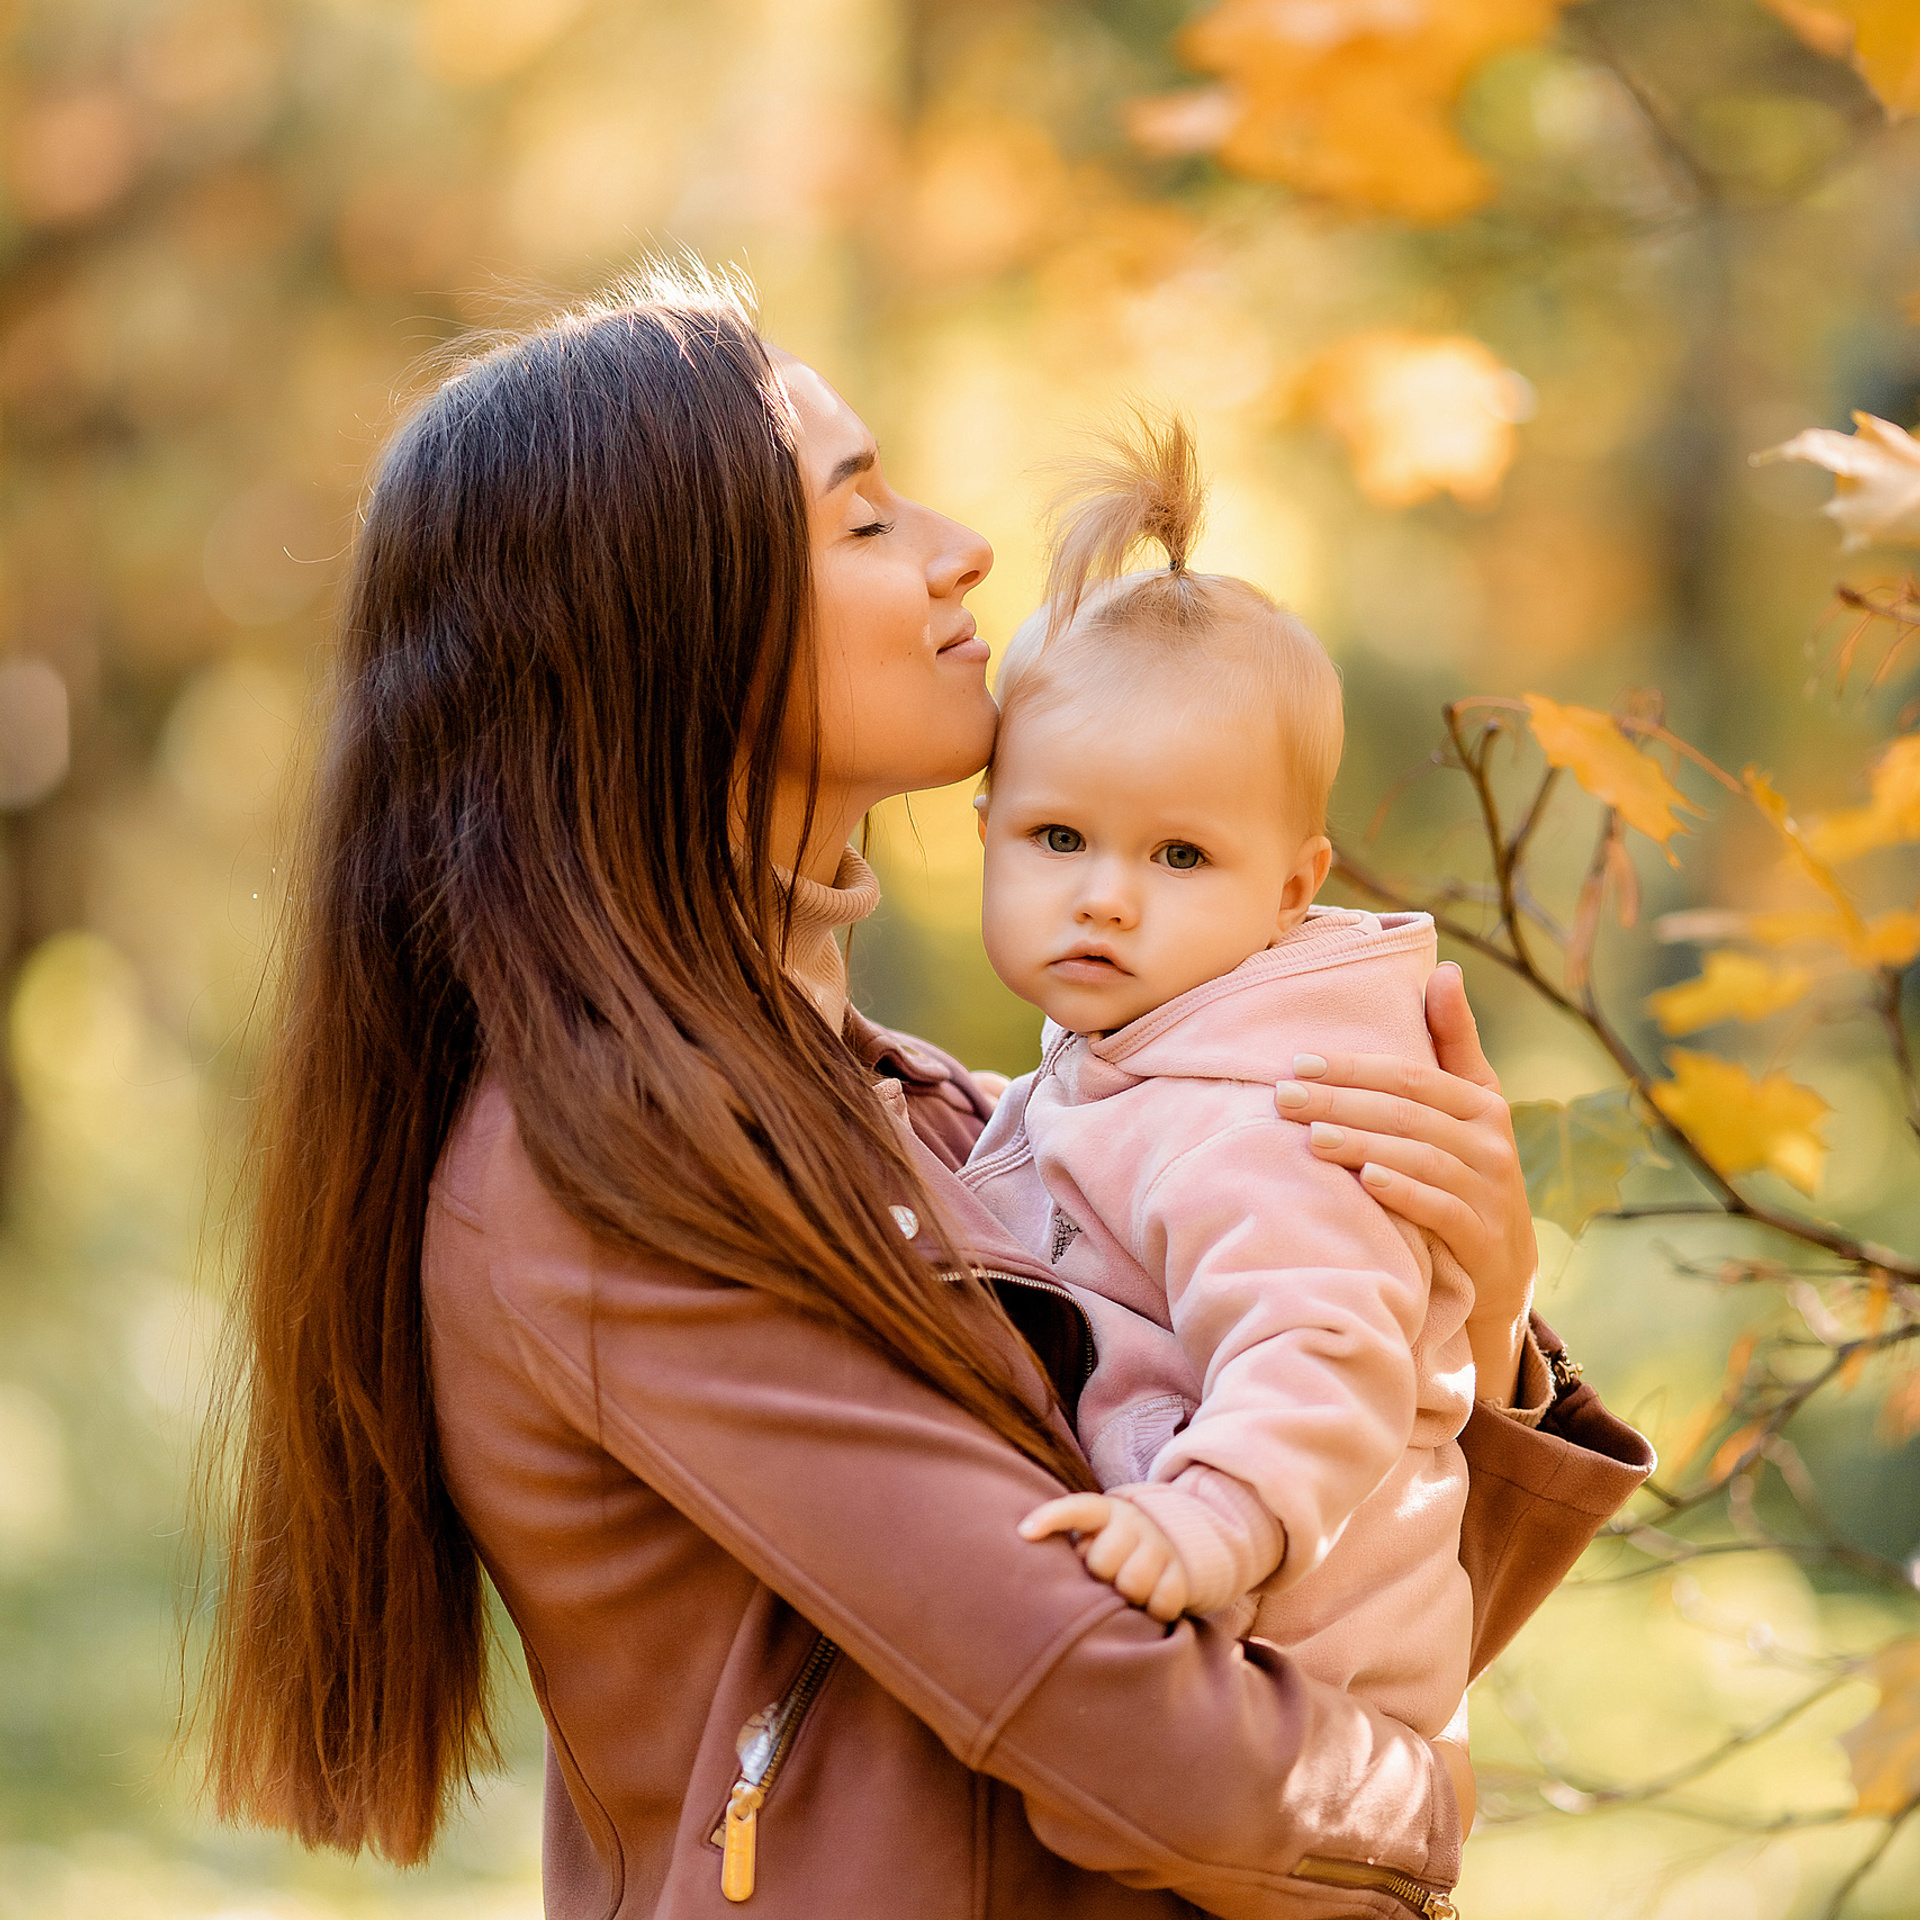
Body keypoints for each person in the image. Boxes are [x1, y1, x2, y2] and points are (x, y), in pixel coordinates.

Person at [197, 269, 1653, 1920]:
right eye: (864, 519)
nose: (961, 543)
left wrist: (1476, 1332)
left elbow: (1279, 1642)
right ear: (678, 628)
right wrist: (1430, 1817)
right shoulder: (612, 1175)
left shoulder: (951, 1116)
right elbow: (1148, 1744)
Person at [967, 412, 1476, 1830]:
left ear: (1294, 889)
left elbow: (1323, 1344)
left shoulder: (1266, 1109)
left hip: (1298, 1705)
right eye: (1058, 838)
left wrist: (1212, 1519)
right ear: (986, 829)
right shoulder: (1116, 1069)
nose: (1108, 896)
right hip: (1207, 1686)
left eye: (1181, 855)